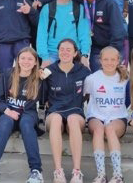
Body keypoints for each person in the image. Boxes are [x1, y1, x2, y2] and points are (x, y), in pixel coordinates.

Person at [0, 47, 44, 183]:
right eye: (23, 58)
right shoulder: (7, 75)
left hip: (28, 114)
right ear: (17, 60)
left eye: (30, 59)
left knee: (26, 123)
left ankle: (36, 171)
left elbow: (48, 98)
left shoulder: (39, 79)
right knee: (5, 122)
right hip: (8, 111)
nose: (26, 61)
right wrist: (8, 111)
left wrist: (46, 75)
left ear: (36, 62)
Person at [42, 39, 91, 183]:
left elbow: (90, 94)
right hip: (55, 112)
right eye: (62, 49)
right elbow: (42, 96)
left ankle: (77, 172)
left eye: (68, 49)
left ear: (75, 53)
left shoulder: (84, 71)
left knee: (73, 119)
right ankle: (58, 171)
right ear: (58, 52)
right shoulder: (48, 70)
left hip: (75, 112)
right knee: (56, 119)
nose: (64, 52)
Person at [83, 46, 129, 183]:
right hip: (96, 116)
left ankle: (117, 175)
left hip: (117, 118)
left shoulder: (125, 78)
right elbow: (84, 97)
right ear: (100, 61)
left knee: (109, 129)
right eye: (106, 59)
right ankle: (101, 175)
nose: (109, 62)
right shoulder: (92, 79)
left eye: (113, 59)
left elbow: (131, 100)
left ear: (118, 61)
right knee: (99, 129)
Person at [73, 0, 126, 72]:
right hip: (95, 47)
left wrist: (112, 51)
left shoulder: (108, 2)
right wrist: (43, 2)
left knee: (113, 76)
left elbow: (118, 30)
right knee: (98, 75)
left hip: (112, 45)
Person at [37, 0, 91, 69]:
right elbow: (42, 35)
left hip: (74, 55)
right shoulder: (47, 8)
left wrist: (85, 55)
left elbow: (84, 33)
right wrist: (45, 58)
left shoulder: (79, 8)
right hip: (52, 55)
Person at [0, 0, 38, 74]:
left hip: (22, 41)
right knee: (4, 74)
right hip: (3, 42)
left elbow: (36, 22)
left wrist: (31, 11)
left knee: (25, 72)